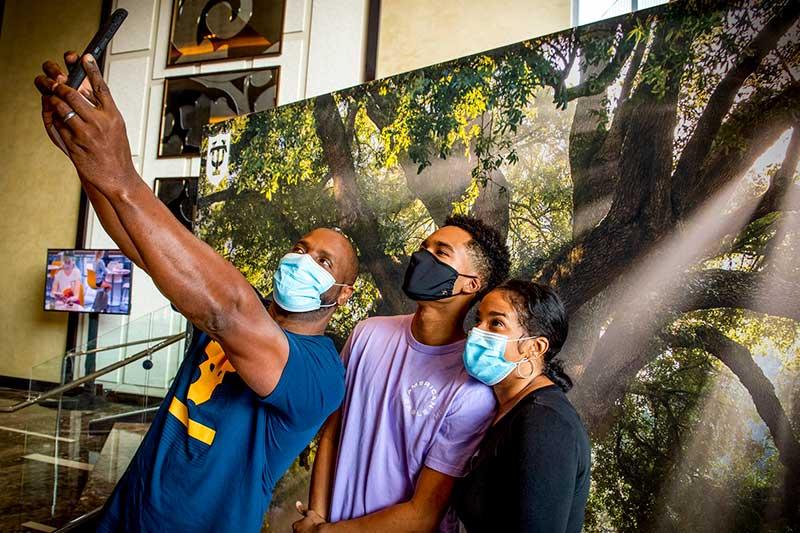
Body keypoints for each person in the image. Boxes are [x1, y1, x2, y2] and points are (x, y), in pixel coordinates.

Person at [35, 52, 359, 532]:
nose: (303, 261)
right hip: (127, 517)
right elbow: (137, 242)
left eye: (323, 262)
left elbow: (228, 310)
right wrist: (84, 154)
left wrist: (121, 172)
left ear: (344, 293)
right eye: (300, 247)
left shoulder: (321, 372)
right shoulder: (234, 308)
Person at [295, 215, 511, 533]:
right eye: (424, 247)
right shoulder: (366, 334)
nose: (422, 257)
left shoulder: (472, 391)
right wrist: (316, 516)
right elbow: (331, 433)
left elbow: (424, 513)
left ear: (471, 284)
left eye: (441, 252)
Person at [452, 280, 591, 533]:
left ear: (534, 348)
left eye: (496, 323)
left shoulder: (545, 422)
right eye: (478, 320)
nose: (477, 332)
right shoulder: (504, 409)